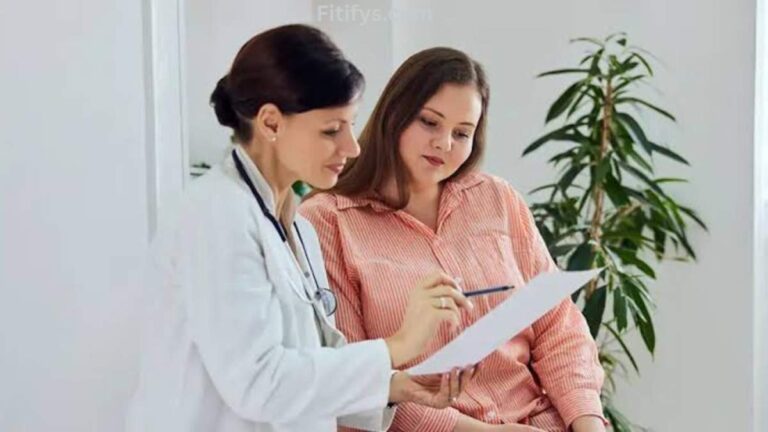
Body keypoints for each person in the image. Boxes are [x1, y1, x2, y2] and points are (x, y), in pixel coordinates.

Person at [126, 26, 476, 432]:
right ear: (271, 123)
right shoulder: (214, 215)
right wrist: (397, 347)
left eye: (350, 125)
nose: (352, 147)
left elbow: (313, 369)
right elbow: (260, 384)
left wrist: (398, 387)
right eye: (331, 130)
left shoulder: (300, 230)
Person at [299, 47, 607, 432]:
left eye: (462, 133)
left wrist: (588, 421)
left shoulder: (497, 199)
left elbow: (558, 327)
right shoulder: (327, 221)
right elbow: (351, 378)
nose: (445, 144)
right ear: (394, 114)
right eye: (430, 123)